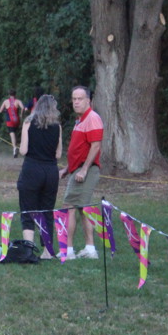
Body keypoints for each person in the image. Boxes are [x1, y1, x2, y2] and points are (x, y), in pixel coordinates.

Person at [16, 94, 62, 259]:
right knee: (47, 211)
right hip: (50, 171)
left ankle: (29, 249)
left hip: (32, 169)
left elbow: (23, 150)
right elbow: (58, 154)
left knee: (28, 210)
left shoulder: (28, 123)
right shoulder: (57, 126)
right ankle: (47, 251)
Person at [59, 86, 102, 260]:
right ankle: (89, 249)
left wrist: (83, 170)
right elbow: (78, 149)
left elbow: (96, 146)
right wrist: (67, 169)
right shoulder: (80, 120)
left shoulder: (92, 118)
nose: (76, 102)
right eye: (74, 99)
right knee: (84, 209)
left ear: (88, 100)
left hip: (85, 170)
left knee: (68, 207)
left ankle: (68, 250)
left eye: (80, 99)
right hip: (77, 169)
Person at [0, 90, 25, 157]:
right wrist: (21, 115)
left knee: (11, 133)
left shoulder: (6, 101)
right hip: (17, 120)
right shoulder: (18, 101)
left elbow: (0, 111)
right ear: (15, 94)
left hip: (9, 120)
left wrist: (6, 110)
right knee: (15, 132)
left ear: (9, 94)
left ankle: (14, 147)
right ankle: (18, 146)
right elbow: (23, 108)